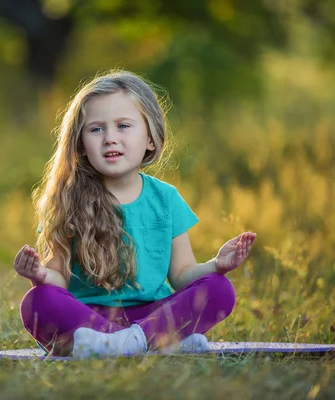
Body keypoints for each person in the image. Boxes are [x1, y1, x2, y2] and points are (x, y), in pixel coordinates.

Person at [14, 70, 257, 358]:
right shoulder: (67, 199)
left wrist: (217, 265)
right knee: (39, 301)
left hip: (152, 315)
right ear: (80, 145)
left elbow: (182, 275)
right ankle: (156, 343)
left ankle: (126, 343)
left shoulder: (165, 198)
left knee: (220, 289)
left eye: (123, 126)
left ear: (150, 139)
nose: (110, 139)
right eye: (96, 129)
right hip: (89, 319)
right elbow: (58, 280)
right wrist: (39, 275)